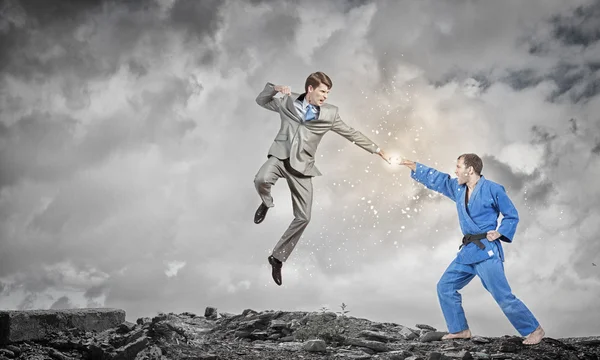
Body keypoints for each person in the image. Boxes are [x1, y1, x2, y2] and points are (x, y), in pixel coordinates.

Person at [254, 71, 389, 286]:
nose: (325, 96)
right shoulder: (287, 101)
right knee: (261, 179)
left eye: (328, 93)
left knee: (304, 218)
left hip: (302, 168)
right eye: (323, 91)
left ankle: (277, 258)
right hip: (280, 157)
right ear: (310, 89)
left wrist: (378, 150)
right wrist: (276, 88)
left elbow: (351, 133)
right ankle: (266, 202)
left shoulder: (330, 114)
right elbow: (261, 100)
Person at [398, 154, 545, 345]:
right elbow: (439, 179)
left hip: (486, 251)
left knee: (502, 295)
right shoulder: (458, 189)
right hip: (468, 252)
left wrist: (500, 232)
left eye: (458, 166)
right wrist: (412, 165)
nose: (455, 170)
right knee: (445, 286)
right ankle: (460, 329)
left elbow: (511, 215)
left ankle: (534, 330)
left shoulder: (493, 189)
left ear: (470, 170)